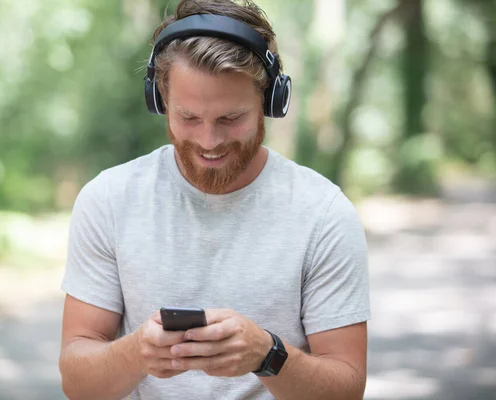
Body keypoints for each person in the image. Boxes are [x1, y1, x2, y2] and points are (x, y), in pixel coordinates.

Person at [58, 1, 371, 399]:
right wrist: (137, 354)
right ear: (161, 101)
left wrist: (267, 355)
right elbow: (77, 384)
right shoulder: (108, 200)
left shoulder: (324, 214)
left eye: (230, 119)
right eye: (189, 118)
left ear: (270, 102)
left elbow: (346, 390)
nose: (209, 142)